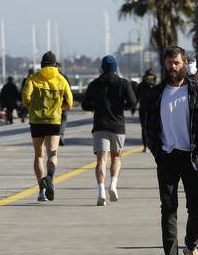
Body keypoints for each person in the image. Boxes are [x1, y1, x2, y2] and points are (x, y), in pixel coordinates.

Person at [146, 46, 198, 255]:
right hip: (167, 157)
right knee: (168, 209)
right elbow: (150, 127)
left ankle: (191, 246)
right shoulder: (157, 92)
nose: (172, 67)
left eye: (176, 63)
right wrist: (158, 153)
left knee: (197, 208)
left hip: (192, 157)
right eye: (169, 63)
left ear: (185, 63)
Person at [82, 55, 136, 206]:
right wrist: (122, 107)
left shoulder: (94, 84)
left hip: (100, 126)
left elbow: (85, 105)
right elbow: (132, 102)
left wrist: (96, 107)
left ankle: (101, 191)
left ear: (102, 67)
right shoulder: (123, 83)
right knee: (116, 157)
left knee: (101, 160)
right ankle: (113, 185)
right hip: (118, 126)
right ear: (115, 67)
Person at [22, 51, 73, 202]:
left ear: (41, 65)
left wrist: (32, 107)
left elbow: (25, 98)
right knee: (52, 153)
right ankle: (50, 178)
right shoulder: (61, 79)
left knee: (38, 154)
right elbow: (69, 103)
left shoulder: (33, 79)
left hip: (36, 120)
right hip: (54, 120)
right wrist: (59, 107)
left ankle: (41, 191)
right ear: (55, 64)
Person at [136, 69, 157, 152]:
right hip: (143, 110)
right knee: (144, 128)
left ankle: (153, 144)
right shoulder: (141, 86)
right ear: (145, 77)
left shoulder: (156, 86)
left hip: (153, 110)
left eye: (151, 77)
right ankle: (145, 146)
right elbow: (136, 98)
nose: (150, 79)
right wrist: (133, 107)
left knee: (153, 127)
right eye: (148, 77)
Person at [56, 62, 70, 146]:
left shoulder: (51, 78)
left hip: (54, 104)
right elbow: (69, 91)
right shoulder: (64, 78)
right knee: (63, 119)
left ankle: (56, 135)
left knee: (56, 121)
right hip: (63, 103)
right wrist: (69, 103)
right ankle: (60, 134)